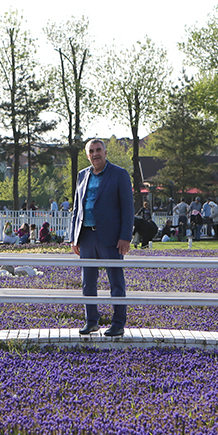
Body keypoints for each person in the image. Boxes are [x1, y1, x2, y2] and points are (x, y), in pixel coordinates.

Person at [68, 138, 133, 337]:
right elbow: (77, 208)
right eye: (91, 151)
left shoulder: (119, 174)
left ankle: (118, 323)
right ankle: (91, 321)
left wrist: (125, 237)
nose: (95, 154)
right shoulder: (82, 175)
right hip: (86, 235)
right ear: (87, 155)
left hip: (112, 238)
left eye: (98, 150)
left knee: (116, 281)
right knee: (88, 282)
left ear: (105, 153)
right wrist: (73, 236)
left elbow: (128, 208)